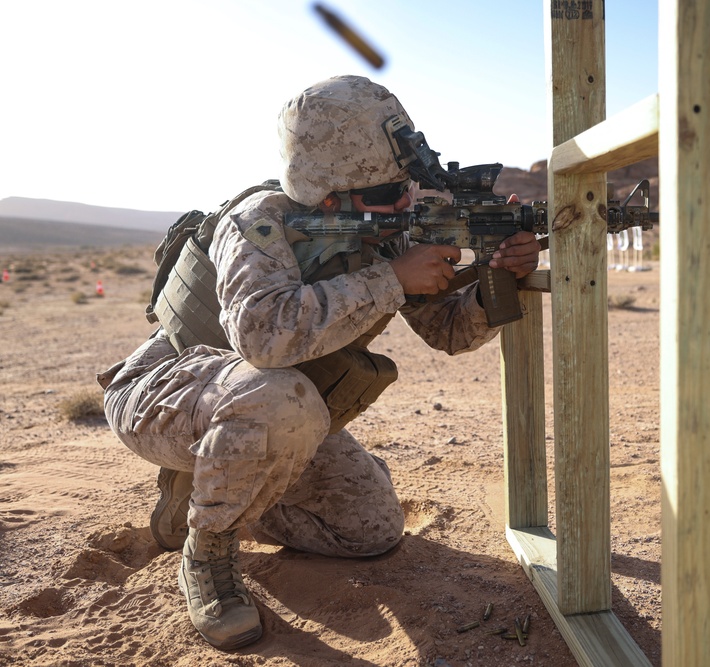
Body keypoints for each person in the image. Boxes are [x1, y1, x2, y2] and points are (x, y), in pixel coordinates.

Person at [97, 75, 540, 651]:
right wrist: (390, 279)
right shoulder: (260, 222)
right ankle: (207, 553)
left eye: (406, 187)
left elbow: (449, 333)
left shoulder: (391, 226)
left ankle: (198, 497)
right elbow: (261, 339)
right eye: (386, 194)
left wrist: (497, 276)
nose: (405, 203)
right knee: (280, 396)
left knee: (370, 531)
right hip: (164, 394)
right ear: (326, 196)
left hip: (268, 413)